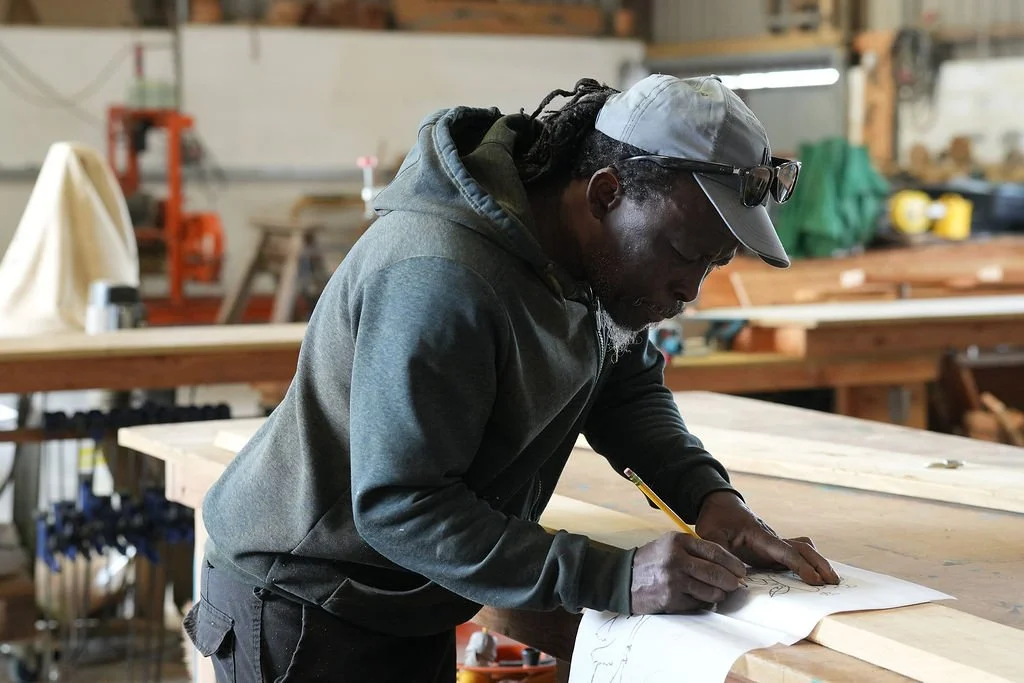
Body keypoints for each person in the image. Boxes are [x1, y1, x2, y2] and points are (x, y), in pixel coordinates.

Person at [185, 73, 841, 682]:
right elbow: (400, 504)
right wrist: (616, 575)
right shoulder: (441, 277)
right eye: (682, 253)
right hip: (308, 606)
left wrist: (709, 500)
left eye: (713, 264)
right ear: (607, 193)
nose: (690, 288)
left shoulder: (593, 269)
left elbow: (626, 388)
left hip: (405, 592)